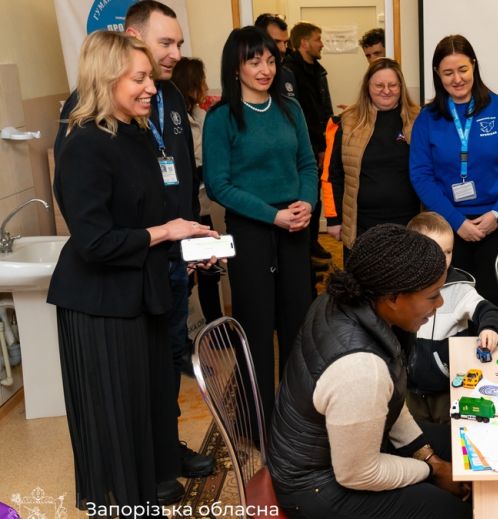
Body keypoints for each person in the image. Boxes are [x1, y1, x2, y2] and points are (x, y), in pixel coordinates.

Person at [49, 31, 218, 511]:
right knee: (116, 416)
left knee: (144, 409)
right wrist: (166, 233)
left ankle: (145, 491)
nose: (152, 88)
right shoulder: (83, 143)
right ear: (106, 78)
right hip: (100, 305)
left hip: (139, 295)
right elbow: (95, 240)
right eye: (139, 78)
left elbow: (149, 216)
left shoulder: (135, 134)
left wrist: (186, 247)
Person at [267, 224, 471, 519]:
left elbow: (388, 399)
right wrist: (431, 470)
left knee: (460, 443)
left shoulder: (343, 299)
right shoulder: (361, 369)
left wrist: (430, 456)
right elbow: (360, 474)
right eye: (432, 296)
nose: (439, 305)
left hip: (334, 452)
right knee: (452, 512)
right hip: (315, 489)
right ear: (392, 297)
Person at [203, 26, 317, 429]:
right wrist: (272, 215)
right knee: (255, 325)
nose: (265, 69)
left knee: (296, 323)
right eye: (254, 61)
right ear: (235, 68)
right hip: (251, 231)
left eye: (270, 60)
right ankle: (255, 423)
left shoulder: (291, 109)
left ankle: (295, 418)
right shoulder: (222, 118)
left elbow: (307, 163)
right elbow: (219, 184)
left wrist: (307, 202)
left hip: (295, 226)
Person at [410, 34, 498, 313]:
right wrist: (457, 222)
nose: (457, 79)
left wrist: (496, 213)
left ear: (474, 66)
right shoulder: (427, 119)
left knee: (493, 303)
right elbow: (421, 175)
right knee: (450, 306)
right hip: (448, 228)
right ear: (437, 74)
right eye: (448, 73)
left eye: (463, 69)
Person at [405, 212, 498, 424]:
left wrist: (489, 328)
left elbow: (490, 311)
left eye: (448, 252)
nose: (443, 260)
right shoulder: (401, 287)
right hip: (407, 388)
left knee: (449, 434)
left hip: (447, 387)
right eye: (434, 252)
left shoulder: (459, 288)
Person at [325, 58, 420, 252]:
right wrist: (334, 219)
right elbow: (331, 174)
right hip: (361, 225)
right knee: (362, 281)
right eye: (379, 85)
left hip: (409, 223)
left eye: (392, 85)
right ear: (367, 86)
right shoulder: (347, 121)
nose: (386, 90)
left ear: (401, 87)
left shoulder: (419, 119)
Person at [171, 57, 223, 326]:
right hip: (185, 212)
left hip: (201, 206)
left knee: (210, 270)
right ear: (191, 84)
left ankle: (214, 326)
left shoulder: (201, 115)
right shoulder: (175, 121)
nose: (205, 85)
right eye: (201, 80)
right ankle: (191, 332)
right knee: (187, 275)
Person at [286, 22, 334, 271]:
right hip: (301, 148)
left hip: (320, 142)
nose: (321, 43)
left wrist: (327, 142)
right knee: (303, 195)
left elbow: (324, 109)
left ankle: (313, 241)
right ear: (304, 42)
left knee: (314, 194)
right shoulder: (289, 71)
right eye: (317, 39)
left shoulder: (319, 71)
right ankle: (305, 248)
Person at [254, 13, 298, 101]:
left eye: (285, 43)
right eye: (276, 42)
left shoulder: (288, 74)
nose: (283, 49)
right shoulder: (250, 75)